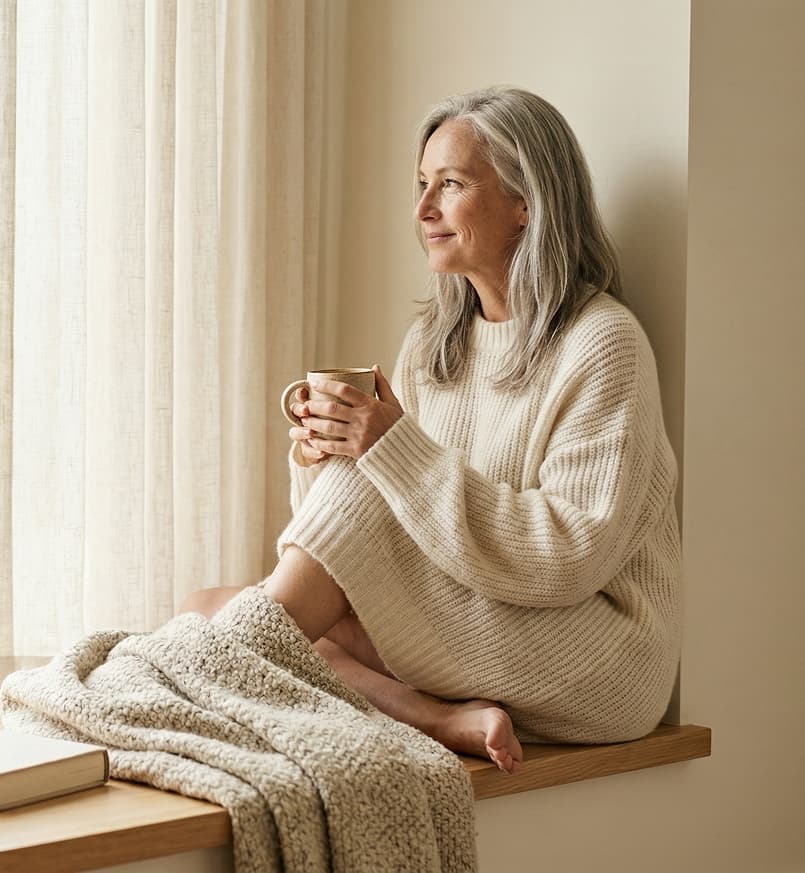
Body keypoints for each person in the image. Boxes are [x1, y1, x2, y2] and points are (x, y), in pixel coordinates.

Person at [180, 87, 681, 775]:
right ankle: (438, 716)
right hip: (481, 610)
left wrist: (386, 451)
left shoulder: (601, 343)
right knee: (211, 604)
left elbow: (570, 556)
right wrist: (323, 451)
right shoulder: (434, 342)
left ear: (524, 203)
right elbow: (351, 530)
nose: (421, 210)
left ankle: (185, 681)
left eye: (449, 184)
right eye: (421, 185)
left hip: (596, 654)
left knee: (250, 624)